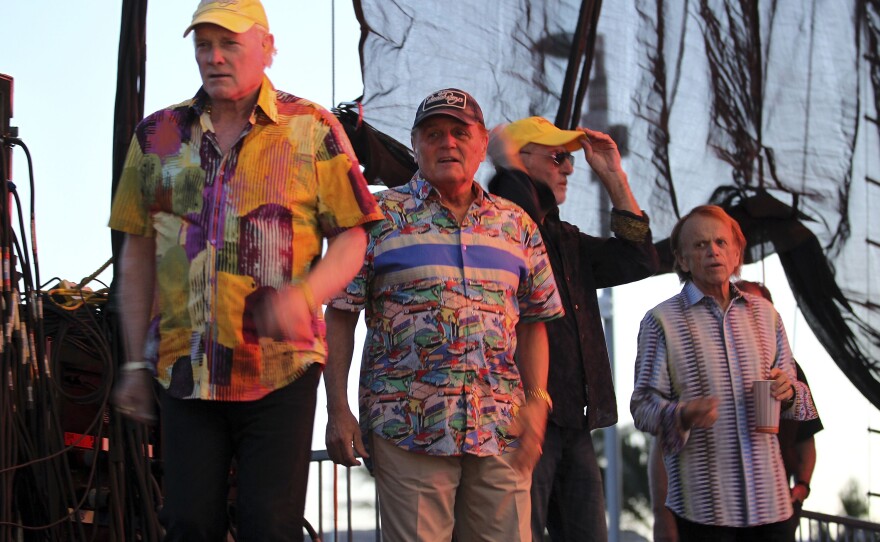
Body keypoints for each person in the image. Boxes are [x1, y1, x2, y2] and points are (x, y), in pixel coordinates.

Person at [108, 1, 382, 540]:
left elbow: (353, 236)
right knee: (187, 522)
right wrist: (135, 365)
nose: (214, 57)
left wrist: (304, 296)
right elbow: (136, 254)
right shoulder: (157, 134)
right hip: (185, 369)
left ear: (267, 47)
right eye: (203, 46)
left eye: (229, 44)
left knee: (270, 525)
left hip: (281, 368)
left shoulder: (311, 128)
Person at [323, 89, 564, 542]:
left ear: (481, 144)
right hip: (407, 426)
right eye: (433, 134)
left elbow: (535, 321)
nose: (447, 143)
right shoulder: (375, 217)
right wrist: (337, 409)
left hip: (501, 427)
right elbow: (339, 315)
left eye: (459, 132)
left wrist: (536, 401)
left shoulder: (517, 225)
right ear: (415, 145)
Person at [486, 116, 659, 541]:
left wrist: (614, 176)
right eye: (559, 156)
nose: (569, 168)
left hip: (572, 423)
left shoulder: (567, 239)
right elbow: (516, 212)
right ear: (522, 161)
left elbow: (639, 259)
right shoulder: (497, 225)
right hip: (518, 419)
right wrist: (508, 166)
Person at [631, 205, 818, 541]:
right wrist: (683, 414)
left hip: (772, 504)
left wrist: (787, 391)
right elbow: (641, 407)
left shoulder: (767, 315)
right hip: (705, 509)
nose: (713, 251)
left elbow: (802, 403)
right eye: (700, 245)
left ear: (736, 255)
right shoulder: (660, 321)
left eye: (720, 242)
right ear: (683, 260)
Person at [646, 279, 824, 542]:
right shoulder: (700, 362)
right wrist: (663, 517)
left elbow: (806, 438)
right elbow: (662, 448)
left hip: (772, 510)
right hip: (710, 510)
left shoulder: (788, 371)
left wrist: (800, 488)